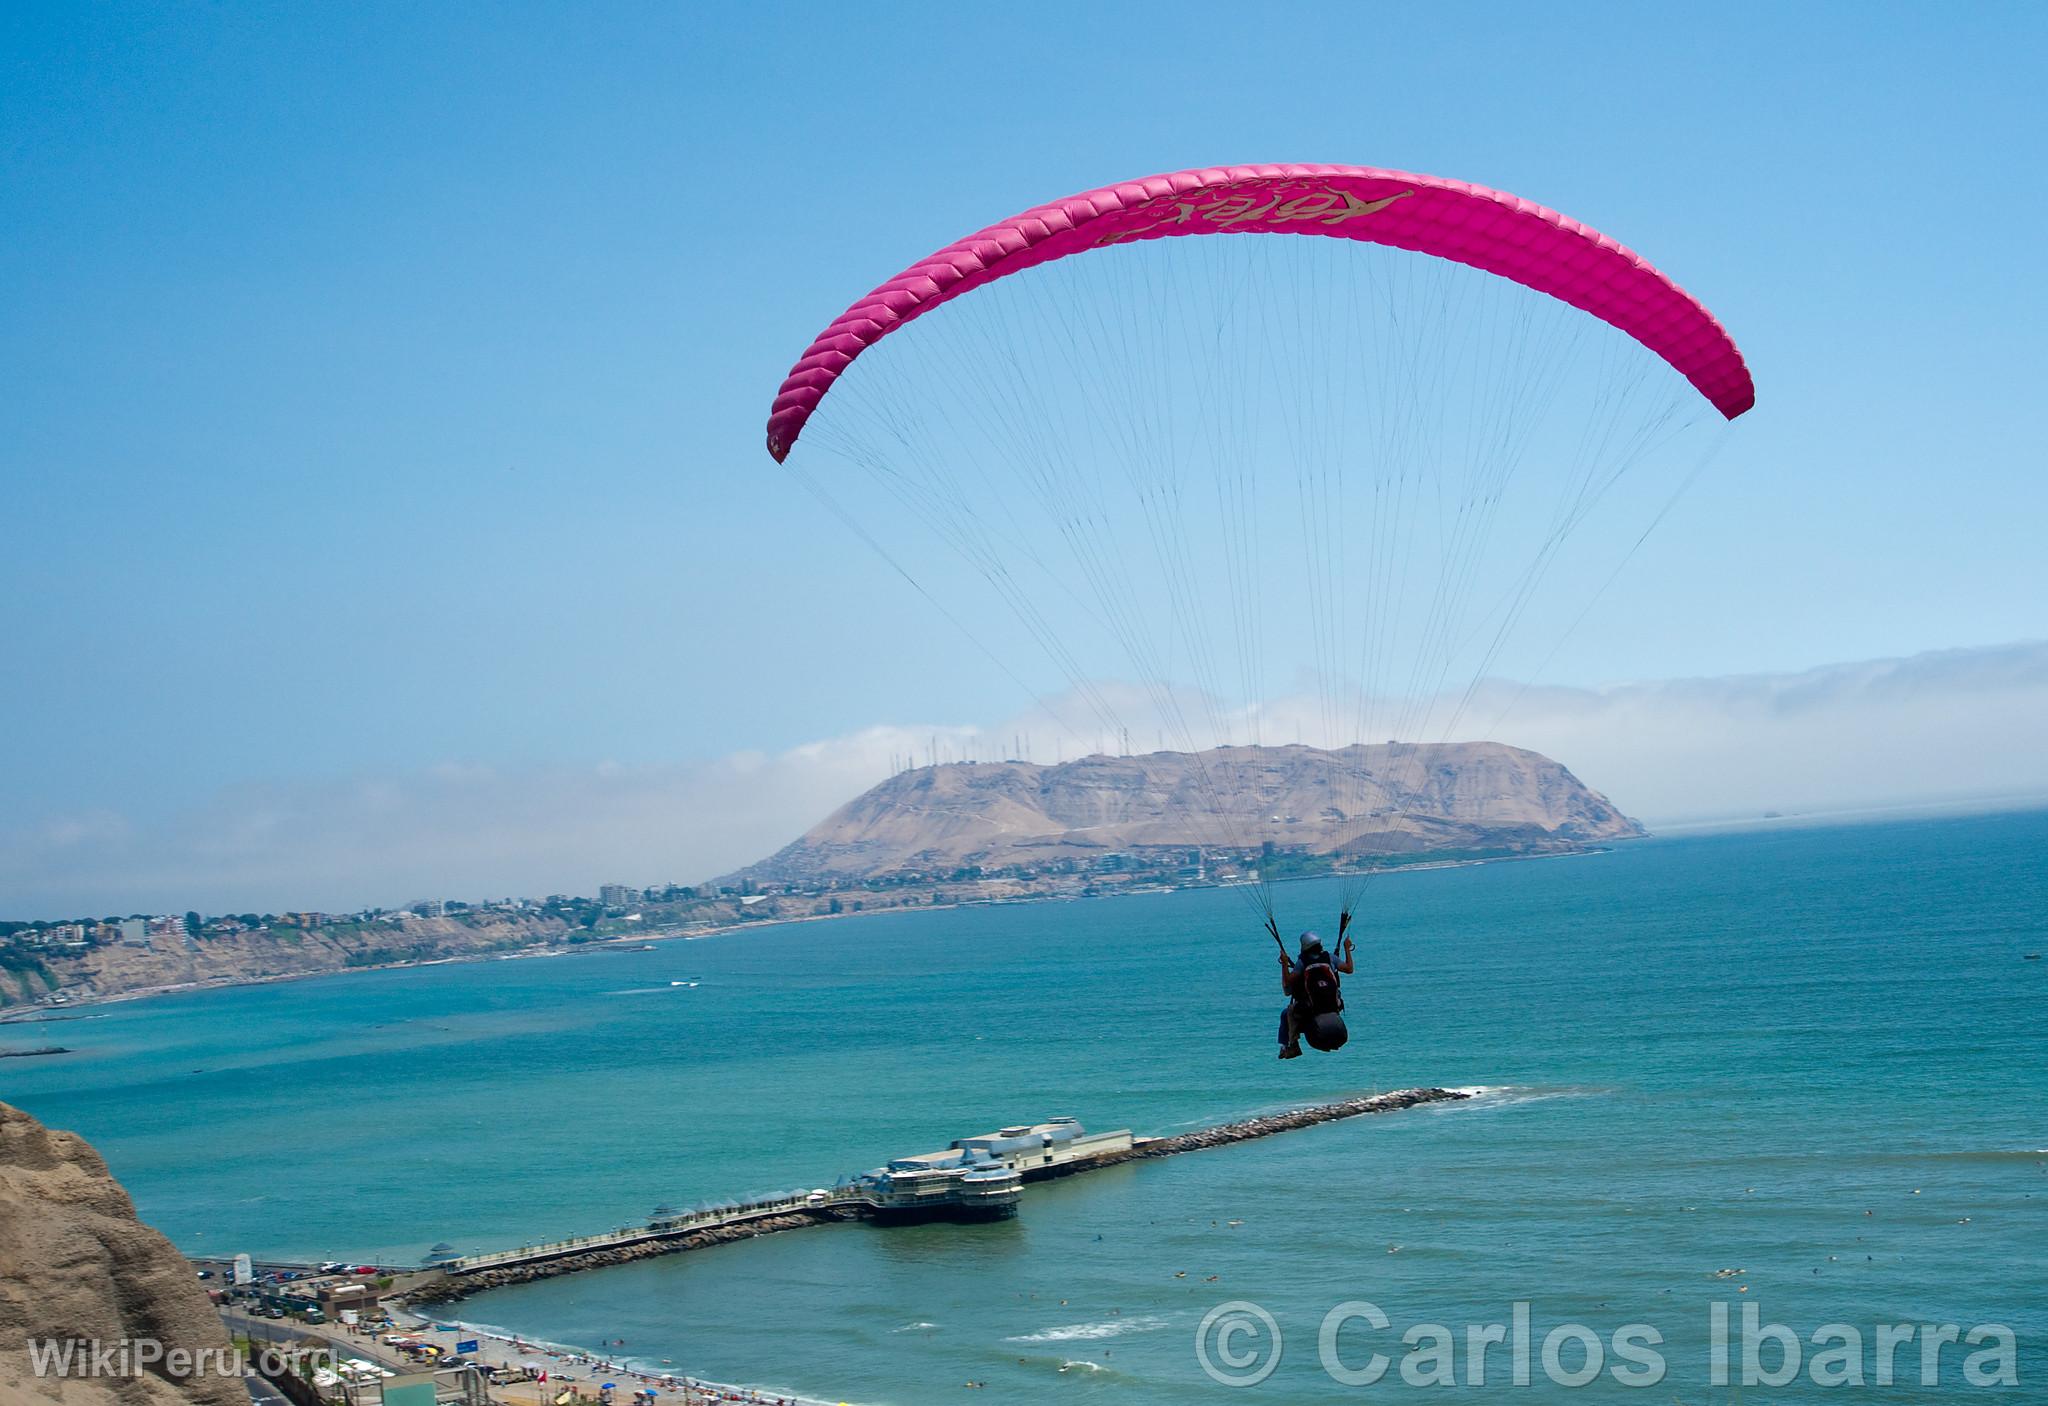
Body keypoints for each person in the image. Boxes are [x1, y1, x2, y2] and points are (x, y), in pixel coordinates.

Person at [1278, 930, 1352, 1059]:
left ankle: (1291, 1046)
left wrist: (1284, 964)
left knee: (1287, 1013)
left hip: (1312, 1009)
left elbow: (1288, 982)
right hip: (1334, 1006)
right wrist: (1347, 949)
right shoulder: (1330, 957)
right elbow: (1349, 969)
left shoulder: (1302, 962)